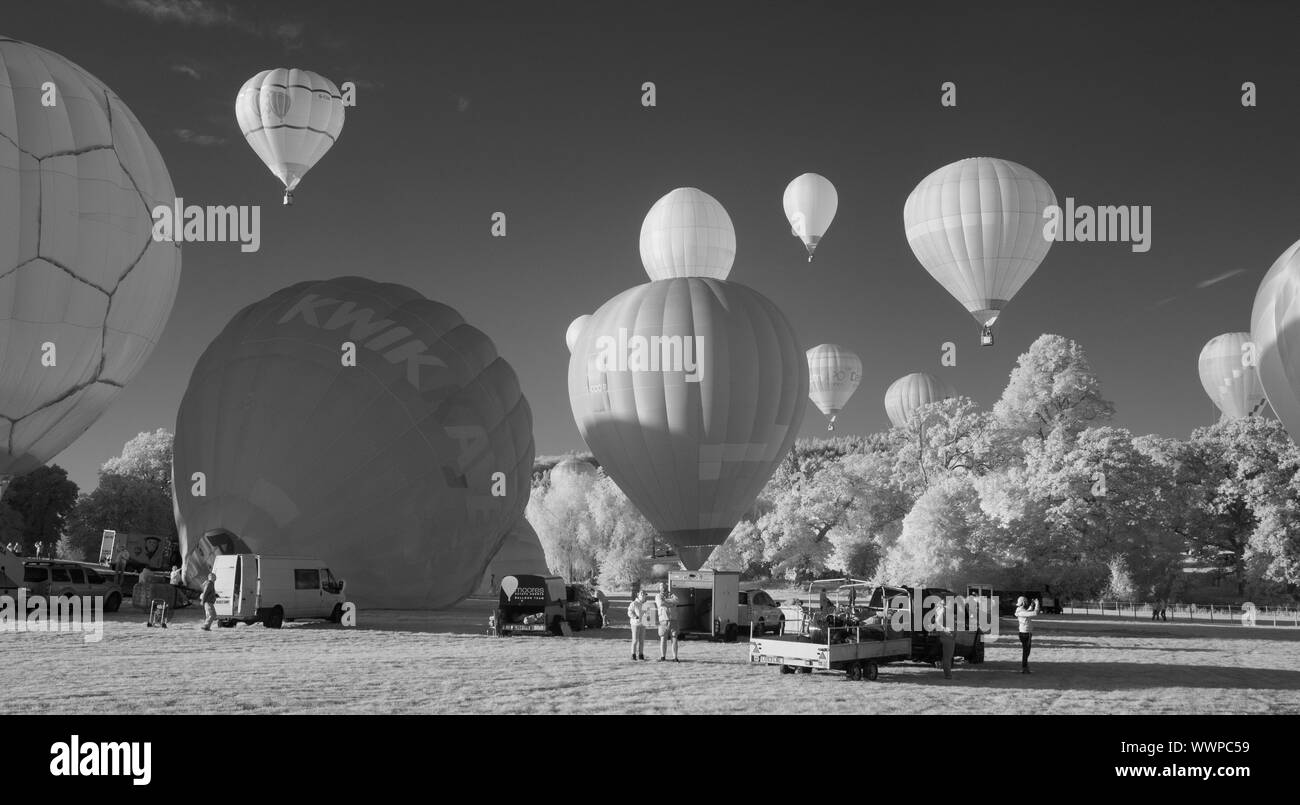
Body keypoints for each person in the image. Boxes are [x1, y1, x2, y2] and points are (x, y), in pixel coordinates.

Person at [1014, 596, 1039, 673]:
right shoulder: (1021, 612)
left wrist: (1032, 605)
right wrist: (1037, 604)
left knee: (1026, 651)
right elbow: (1035, 613)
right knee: (1026, 651)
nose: (1026, 604)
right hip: (1026, 634)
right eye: (1026, 602)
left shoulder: (1020, 610)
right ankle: (1024, 667)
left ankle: (1025, 666)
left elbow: (1028, 611)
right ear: (1023, 603)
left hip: (1024, 633)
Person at [656, 585, 679, 662]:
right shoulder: (658, 596)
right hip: (663, 621)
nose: (664, 590)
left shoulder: (672, 595)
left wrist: (666, 601)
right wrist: (671, 603)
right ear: (660, 589)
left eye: (665, 588)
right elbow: (661, 603)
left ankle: (675, 657)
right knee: (663, 638)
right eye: (662, 588)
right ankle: (663, 657)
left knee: (674, 638)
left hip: (673, 620)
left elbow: (677, 601)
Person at [935, 596, 956, 679]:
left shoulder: (939, 611)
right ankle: (948, 675)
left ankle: (947, 674)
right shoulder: (946, 611)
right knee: (947, 657)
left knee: (946, 657)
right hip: (948, 636)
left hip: (944, 635)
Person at [627, 591, 647, 661]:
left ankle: (641, 655)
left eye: (644, 595)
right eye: (642, 595)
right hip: (635, 624)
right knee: (635, 640)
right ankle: (633, 655)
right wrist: (634, 616)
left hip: (643, 624)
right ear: (639, 596)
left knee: (642, 640)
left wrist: (648, 617)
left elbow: (648, 614)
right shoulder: (634, 603)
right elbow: (629, 612)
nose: (643, 596)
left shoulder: (645, 604)